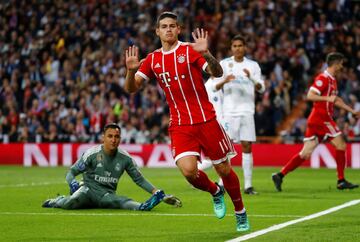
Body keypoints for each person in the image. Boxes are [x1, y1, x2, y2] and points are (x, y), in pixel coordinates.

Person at [124, 12, 249, 232]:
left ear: (179, 29)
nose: (168, 29)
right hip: (180, 124)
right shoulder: (153, 59)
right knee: (189, 172)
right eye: (164, 26)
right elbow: (131, 88)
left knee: (224, 169)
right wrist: (130, 71)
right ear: (157, 31)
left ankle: (240, 213)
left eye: (172, 26)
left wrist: (208, 54)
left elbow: (216, 72)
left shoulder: (190, 50)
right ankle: (215, 192)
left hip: (207, 120)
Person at [272, 52, 360, 192]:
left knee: (305, 153)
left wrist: (351, 110)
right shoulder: (322, 78)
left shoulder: (333, 80)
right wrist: (327, 99)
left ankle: (280, 175)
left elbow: (335, 100)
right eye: (341, 63)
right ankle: (341, 180)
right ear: (335, 64)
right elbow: (310, 95)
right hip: (321, 118)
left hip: (318, 120)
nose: (342, 66)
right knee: (341, 144)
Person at [42, 123, 182, 210]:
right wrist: (71, 181)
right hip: (87, 190)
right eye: (110, 136)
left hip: (106, 194)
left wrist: (159, 194)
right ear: (103, 137)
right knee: (70, 204)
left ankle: (142, 206)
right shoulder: (92, 153)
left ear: (120, 138)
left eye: (116, 136)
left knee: (119, 202)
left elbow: (139, 179)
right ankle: (58, 201)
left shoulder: (125, 158)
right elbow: (71, 172)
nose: (113, 140)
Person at [210, 35, 265, 195]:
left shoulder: (252, 65)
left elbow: (261, 88)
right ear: (231, 48)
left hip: (247, 111)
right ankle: (222, 183)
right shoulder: (224, 64)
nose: (238, 48)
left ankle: (248, 185)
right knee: (227, 149)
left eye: (240, 45)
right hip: (229, 111)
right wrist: (224, 81)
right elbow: (214, 87)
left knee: (247, 146)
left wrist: (252, 78)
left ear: (245, 47)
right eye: (235, 46)